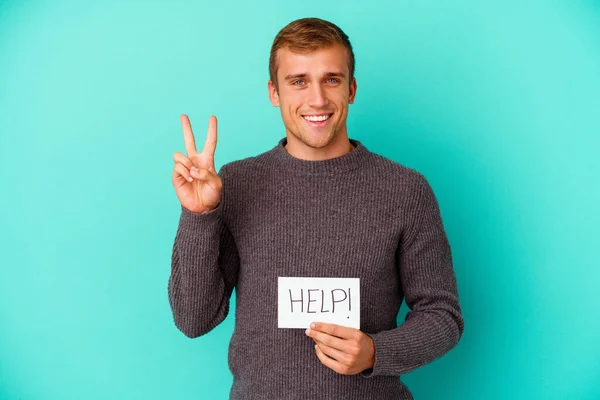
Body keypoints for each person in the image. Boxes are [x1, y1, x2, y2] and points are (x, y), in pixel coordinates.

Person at [168, 17, 464, 400]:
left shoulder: (405, 189)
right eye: (298, 81)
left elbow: (443, 316)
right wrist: (199, 217)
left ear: (352, 88)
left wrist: (377, 352)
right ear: (274, 92)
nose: (318, 100)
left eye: (331, 79)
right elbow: (194, 320)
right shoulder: (237, 182)